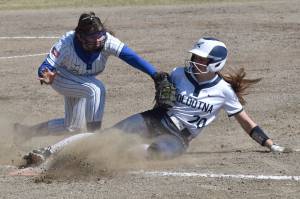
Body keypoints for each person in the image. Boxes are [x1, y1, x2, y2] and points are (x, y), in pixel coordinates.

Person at [20, 37, 290, 170]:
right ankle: (47, 152)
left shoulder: (224, 92)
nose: (194, 61)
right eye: (194, 56)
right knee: (104, 136)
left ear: (215, 64)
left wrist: (269, 144)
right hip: (154, 118)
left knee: (153, 152)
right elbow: (162, 97)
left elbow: (247, 122)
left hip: (178, 139)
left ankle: (86, 164)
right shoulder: (178, 73)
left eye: (201, 58)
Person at [14, 12, 165, 136]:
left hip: (81, 81)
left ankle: (27, 132)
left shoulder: (108, 41)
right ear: (80, 36)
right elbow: (45, 67)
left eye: (100, 35)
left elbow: (132, 57)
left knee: (72, 128)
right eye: (92, 37)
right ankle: (95, 137)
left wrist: (154, 74)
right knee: (96, 89)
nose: (98, 40)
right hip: (61, 78)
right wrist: (46, 75)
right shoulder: (66, 43)